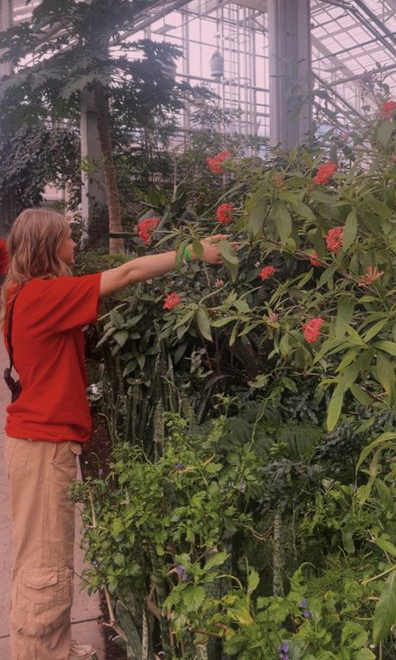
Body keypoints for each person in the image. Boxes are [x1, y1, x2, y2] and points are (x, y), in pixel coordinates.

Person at [1, 208, 228, 660]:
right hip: (43, 446)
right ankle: (41, 654)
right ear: (48, 247)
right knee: (45, 561)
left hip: (39, 441)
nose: (74, 245)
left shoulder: (25, 294)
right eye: (67, 239)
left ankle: (55, 647)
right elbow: (128, 272)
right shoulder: (44, 296)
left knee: (46, 553)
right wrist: (194, 251)